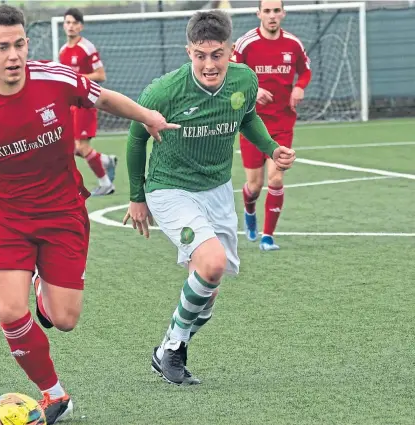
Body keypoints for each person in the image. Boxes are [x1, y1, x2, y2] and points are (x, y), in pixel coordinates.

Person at [0, 4, 177, 423]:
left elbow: (102, 96)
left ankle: (42, 289)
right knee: (8, 311)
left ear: (27, 44)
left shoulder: (55, 77)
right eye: (2, 47)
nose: (13, 55)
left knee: (65, 320)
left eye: (19, 44)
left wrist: (147, 116)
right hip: (7, 218)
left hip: (63, 211)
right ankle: (55, 395)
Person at [123, 10, 296, 385]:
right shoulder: (164, 91)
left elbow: (246, 116)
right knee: (212, 263)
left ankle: (169, 347)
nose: (209, 64)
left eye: (217, 54)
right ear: (189, 52)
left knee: (207, 296)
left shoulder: (245, 80)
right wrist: (137, 197)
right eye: (201, 55)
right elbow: (137, 140)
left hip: (217, 189)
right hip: (170, 189)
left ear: (231, 51)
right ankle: (172, 349)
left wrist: (270, 149)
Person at [231, 0, 311, 250]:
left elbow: (305, 71)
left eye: (277, 10)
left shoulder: (293, 44)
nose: (272, 15)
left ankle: (268, 236)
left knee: (276, 180)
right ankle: (250, 209)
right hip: (252, 124)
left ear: (283, 14)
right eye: (267, 11)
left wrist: (299, 87)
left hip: (283, 124)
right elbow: (230, 75)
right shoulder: (246, 43)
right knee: (254, 186)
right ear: (259, 14)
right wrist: (253, 91)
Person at [59, 7, 118, 196]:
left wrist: (77, 79)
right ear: (63, 26)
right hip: (71, 105)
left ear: (81, 26)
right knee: (69, 147)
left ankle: (106, 183)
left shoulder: (87, 47)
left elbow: (101, 75)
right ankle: (105, 160)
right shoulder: (62, 51)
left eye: (74, 23)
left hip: (86, 103)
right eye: (67, 22)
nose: (71, 26)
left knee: (82, 147)